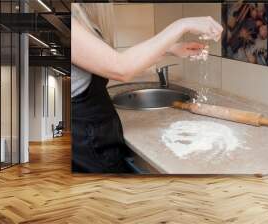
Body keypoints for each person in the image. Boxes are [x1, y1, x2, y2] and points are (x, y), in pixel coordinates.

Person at [71, 3, 223, 173]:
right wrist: (183, 24)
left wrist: (170, 48)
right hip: (85, 144)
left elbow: (110, 60)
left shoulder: (75, 17)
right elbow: (120, 67)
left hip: (95, 135)